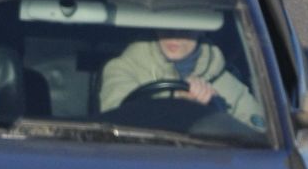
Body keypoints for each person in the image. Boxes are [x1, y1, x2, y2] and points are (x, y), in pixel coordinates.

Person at [99, 31, 265, 130]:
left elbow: (259, 138)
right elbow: (115, 122)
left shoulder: (227, 83)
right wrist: (178, 105)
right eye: (166, 24)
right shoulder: (123, 68)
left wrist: (216, 112)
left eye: (186, 26)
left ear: (202, 29)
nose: (174, 34)